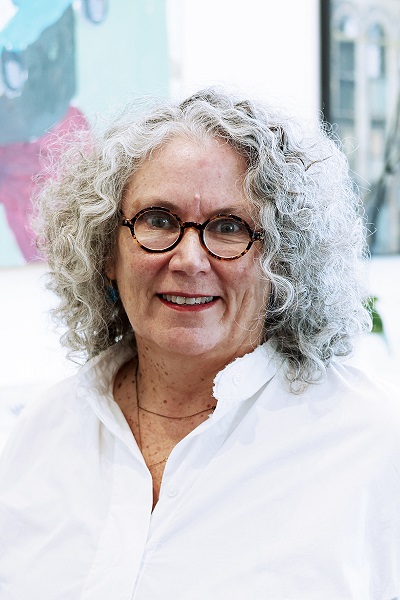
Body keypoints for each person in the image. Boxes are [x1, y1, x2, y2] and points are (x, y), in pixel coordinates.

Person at [0, 87, 399, 600]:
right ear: (106, 250)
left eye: (230, 227)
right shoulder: (42, 430)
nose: (189, 260)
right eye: (159, 220)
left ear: (282, 262)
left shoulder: (372, 443)